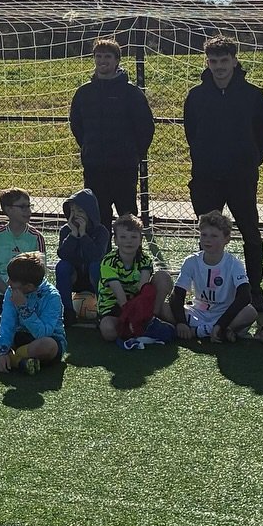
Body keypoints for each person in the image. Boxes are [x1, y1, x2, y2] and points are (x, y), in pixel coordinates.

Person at [182, 35, 263, 316]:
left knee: (250, 234)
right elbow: (191, 134)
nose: (219, 66)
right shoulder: (196, 96)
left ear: (235, 61)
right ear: (207, 63)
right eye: (213, 61)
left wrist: (247, 163)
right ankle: (208, 292)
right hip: (206, 178)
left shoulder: (253, 95)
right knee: (208, 236)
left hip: (241, 178)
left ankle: (253, 290)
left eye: (224, 60)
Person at [67, 38, 156, 229]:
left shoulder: (131, 93)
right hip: (94, 167)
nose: (102, 61)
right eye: (98, 56)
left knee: (128, 217)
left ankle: (131, 257)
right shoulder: (84, 92)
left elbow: (145, 128)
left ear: (117, 60)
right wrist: (89, 148)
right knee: (98, 217)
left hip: (124, 167)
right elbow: (77, 125)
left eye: (107, 56)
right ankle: (101, 257)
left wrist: (133, 154)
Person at [159, 211, 255, 345]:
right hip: (198, 312)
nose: (207, 240)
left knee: (250, 312)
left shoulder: (234, 264)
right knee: (163, 308)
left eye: (214, 236)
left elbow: (244, 296)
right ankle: (220, 332)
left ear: (227, 239)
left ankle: (201, 331)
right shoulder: (191, 261)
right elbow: (178, 294)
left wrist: (221, 323)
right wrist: (181, 322)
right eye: (204, 235)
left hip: (224, 314)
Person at [0, 254, 65, 374]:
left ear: (29, 286)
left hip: (42, 341)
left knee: (48, 345)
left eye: (12, 281)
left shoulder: (52, 296)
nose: (8, 282)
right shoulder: (11, 291)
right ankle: (18, 362)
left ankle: (0, 357)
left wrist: (23, 308)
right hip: (18, 336)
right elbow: (7, 323)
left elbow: (43, 333)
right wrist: (3, 351)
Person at [96, 213, 173, 346]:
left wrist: (141, 314)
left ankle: (151, 318)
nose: (129, 241)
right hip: (114, 306)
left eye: (133, 237)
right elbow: (118, 293)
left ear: (140, 239)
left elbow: (141, 290)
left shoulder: (145, 260)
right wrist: (130, 317)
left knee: (163, 277)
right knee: (108, 331)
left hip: (138, 303)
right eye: (123, 237)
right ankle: (139, 328)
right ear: (115, 240)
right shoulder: (108, 261)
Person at [0, 188, 46, 327]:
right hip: (2, 292)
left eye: (29, 206)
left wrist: (22, 293)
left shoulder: (36, 237)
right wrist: (9, 293)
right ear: (8, 210)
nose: (28, 210)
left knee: (28, 327)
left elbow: (40, 274)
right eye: (22, 207)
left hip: (29, 293)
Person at [55, 189, 109, 325]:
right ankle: (67, 311)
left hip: (94, 279)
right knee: (62, 266)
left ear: (89, 213)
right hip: (75, 278)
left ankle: (103, 312)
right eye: (72, 211)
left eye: (79, 211)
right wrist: (73, 234)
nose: (75, 215)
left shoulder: (101, 231)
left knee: (96, 266)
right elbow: (63, 254)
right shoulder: (66, 230)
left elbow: (96, 255)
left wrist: (84, 235)